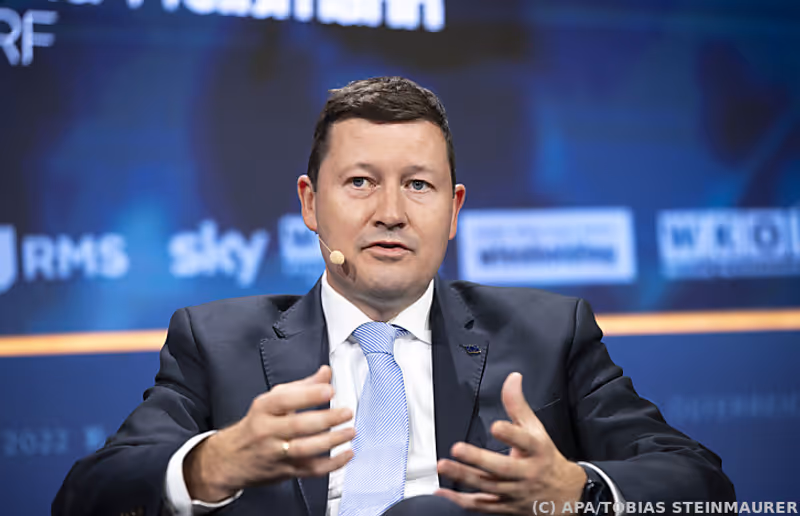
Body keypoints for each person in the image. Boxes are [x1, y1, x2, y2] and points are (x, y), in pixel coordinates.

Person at [53, 76, 736, 516]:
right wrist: (212, 464)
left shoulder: (551, 334)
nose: (390, 213)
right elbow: (85, 496)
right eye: (359, 183)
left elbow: (702, 485)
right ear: (310, 203)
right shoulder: (216, 343)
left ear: (454, 209)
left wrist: (577, 492)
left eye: (418, 185)